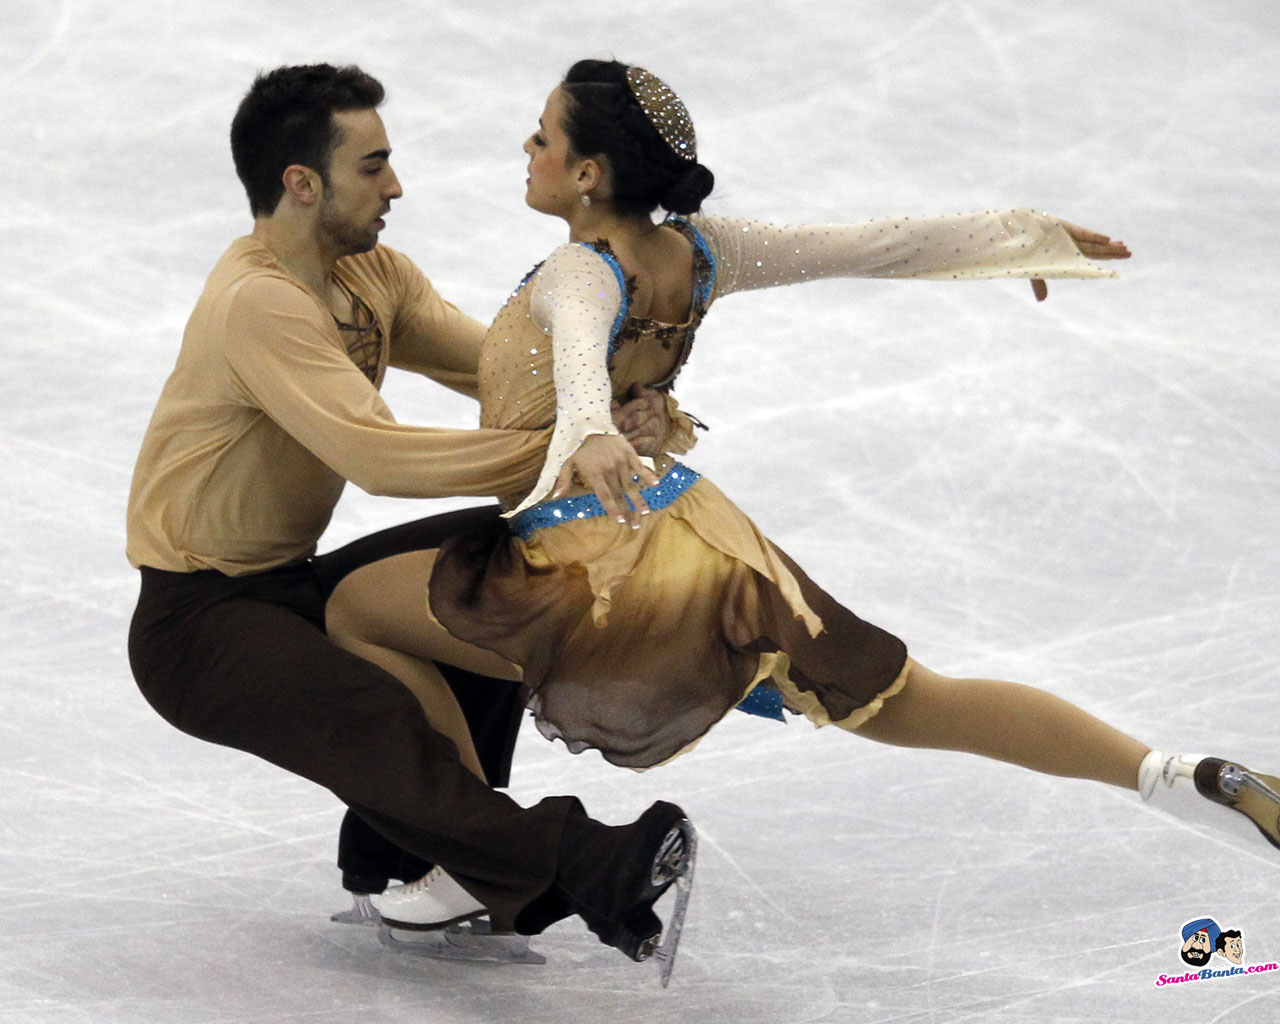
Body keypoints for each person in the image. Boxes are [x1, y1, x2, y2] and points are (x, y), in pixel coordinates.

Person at [325, 59, 1280, 932]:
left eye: (543, 136)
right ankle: (1167, 772)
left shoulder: (579, 269)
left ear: (586, 174)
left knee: (355, 611)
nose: (526, 148)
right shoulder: (703, 253)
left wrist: (592, 428)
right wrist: (1021, 236)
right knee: (912, 699)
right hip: (701, 537)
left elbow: (579, 354)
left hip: (590, 570)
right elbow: (870, 245)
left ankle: (477, 857)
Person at [125, 62, 701, 975]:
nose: (395, 185)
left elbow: (507, 374)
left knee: (488, 574)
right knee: (373, 715)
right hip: (195, 622)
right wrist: (566, 454)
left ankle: (401, 860)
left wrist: (622, 406)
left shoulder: (372, 275)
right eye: (372, 166)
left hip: (285, 586)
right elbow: (378, 457)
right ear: (301, 183)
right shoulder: (257, 303)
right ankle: (584, 864)